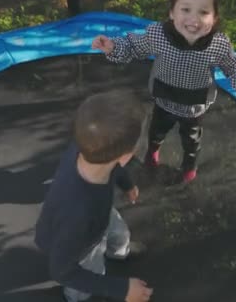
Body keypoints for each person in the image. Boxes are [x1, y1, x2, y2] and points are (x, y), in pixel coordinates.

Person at [91, 0, 236, 184]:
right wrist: (113, 46)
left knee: (191, 138)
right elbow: (134, 46)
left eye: (204, 12)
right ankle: (152, 151)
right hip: (164, 97)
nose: (193, 19)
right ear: (172, 11)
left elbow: (232, 64)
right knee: (157, 130)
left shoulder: (217, 44)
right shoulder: (159, 35)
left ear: (215, 17)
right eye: (186, 9)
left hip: (194, 104)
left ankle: (189, 162)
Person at [34, 92, 153, 302]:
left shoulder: (88, 149)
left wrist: (127, 184)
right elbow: (61, 271)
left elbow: (115, 166)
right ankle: (78, 297)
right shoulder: (78, 215)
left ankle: (119, 252)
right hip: (81, 247)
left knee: (120, 232)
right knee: (91, 271)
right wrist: (120, 289)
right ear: (127, 156)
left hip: (100, 213)